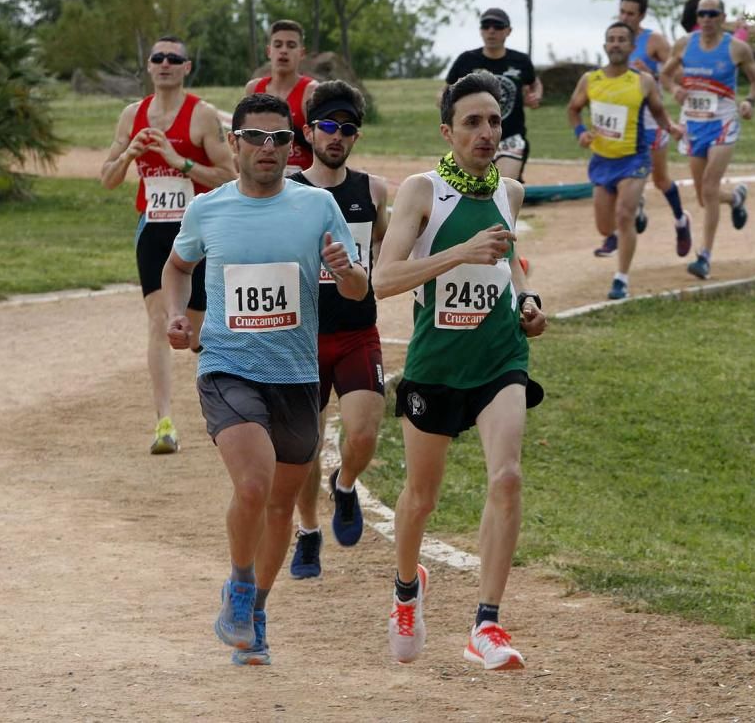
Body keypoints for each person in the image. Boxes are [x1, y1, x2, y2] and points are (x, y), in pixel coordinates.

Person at [163, 92, 366, 666]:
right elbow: (178, 266)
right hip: (228, 365)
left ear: (291, 145)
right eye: (257, 137)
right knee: (252, 485)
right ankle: (240, 585)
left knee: (281, 507)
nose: (269, 148)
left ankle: (256, 611)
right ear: (235, 143)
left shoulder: (316, 207)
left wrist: (346, 272)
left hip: (297, 376)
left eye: (281, 138)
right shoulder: (209, 210)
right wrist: (177, 315)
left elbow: (356, 288)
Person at [373, 72, 547, 670]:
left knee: (507, 477)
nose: (486, 133)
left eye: (495, 121)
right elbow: (383, 279)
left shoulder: (512, 191)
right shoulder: (422, 192)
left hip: (500, 357)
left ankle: (486, 624)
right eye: (472, 122)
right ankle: (405, 588)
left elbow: (511, 263)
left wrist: (527, 300)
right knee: (421, 497)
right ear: (448, 131)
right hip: (436, 364)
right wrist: (458, 254)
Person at [100, 35, 235, 455]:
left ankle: (224, 405)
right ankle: (164, 423)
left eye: (173, 59)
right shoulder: (132, 115)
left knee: (195, 330)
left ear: (186, 67)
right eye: (157, 58)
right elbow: (106, 178)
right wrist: (128, 157)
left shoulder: (202, 116)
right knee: (159, 322)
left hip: (198, 230)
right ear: (148, 65)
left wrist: (180, 162)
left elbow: (229, 175)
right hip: (153, 229)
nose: (164, 64)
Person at [285, 81, 390, 579]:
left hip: (356, 331)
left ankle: (345, 484)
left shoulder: (372, 191)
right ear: (308, 131)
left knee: (365, 432)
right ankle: (307, 532)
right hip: (301, 336)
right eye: (328, 126)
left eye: (347, 129)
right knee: (304, 444)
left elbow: (391, 252)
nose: (337, 136)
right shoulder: (289, 191)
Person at [567, 22, 677, 300]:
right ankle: (633, 213)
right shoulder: (590, 80)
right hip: (603, 160)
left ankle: (621, 279)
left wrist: (672, 127)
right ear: (605, 47)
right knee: (605, 228)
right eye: (611, 40)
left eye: (621, 40)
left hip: (634, 159)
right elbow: (573, 110)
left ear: (630, 47)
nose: (616, 44)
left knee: (623, 216)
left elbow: (659, 111)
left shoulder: (642, 80)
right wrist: (581, 133)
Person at [661, 0, 755, 280]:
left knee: (709, 187)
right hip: (694, 125)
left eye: (712, 14)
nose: (706, 19)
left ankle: (704, 256)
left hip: (723, 123)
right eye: (702, 14)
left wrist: (750, 102)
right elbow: (665, 75)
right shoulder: (685, 44)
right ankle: (734, 198)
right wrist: (674, 90)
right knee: (703, 196)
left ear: (722, 17)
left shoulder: (736, 48)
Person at [606, 0, 690, 259]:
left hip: (651, 121)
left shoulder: (653, 40)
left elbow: (677, 74)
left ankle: (680, 220)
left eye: (631, 13)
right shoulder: (616, 40)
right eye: (622, 11)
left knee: (660, 178)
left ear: (641, 15)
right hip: (623, 122)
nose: (625, 17)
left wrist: (652, 72)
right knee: (620, 176)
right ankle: (618, 231)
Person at [443, 7, 543, 182]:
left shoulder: (520, 61)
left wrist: (536, 96)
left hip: (511, 137)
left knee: (501, 187)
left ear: (508, 31)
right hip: (474, 137)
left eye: (497, 26)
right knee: (471, 188)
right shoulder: (467, 60)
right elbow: (446, 91)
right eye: (486, 25)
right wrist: (444, 103)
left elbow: (534, 83)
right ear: (480, 30)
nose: (491, 31)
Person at [244, 20, 317, 176]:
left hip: (302, 181)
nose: (283, 51)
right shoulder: (254, 89)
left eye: (291, 46)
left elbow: (323, 144)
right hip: (263, 177)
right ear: (269, 51)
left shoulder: (311, 91)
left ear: (302, 53)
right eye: (278, 45)